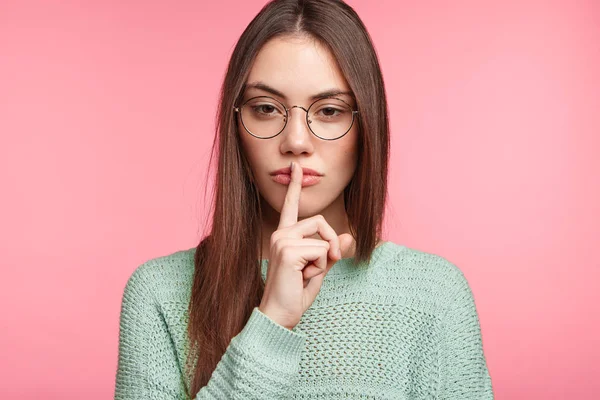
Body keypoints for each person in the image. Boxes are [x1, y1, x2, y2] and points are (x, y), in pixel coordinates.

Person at [115, 0, 494, 398]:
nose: (295, 141)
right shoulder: (159, 293)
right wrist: (271, 323)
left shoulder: (434, 295)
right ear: (236, 124)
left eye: (329, 110)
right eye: (266, 108)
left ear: (367, 126)